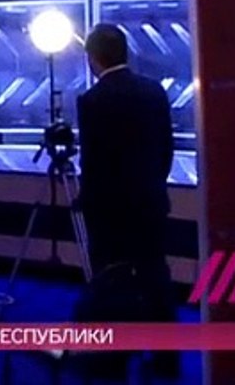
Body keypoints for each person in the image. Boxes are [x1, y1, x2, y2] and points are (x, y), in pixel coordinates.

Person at [73, 23, 178, 378]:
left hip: (110, 213)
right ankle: (167, 360)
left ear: (93, 58)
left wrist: (88, 202)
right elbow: (166, 149)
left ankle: (113, 357)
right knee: (156, 276)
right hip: (150, 202)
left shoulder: (92, 101)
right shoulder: (154, 92)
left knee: (111, 281)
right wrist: (152, 184)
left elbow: (93, 162)